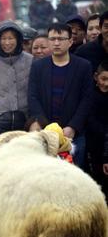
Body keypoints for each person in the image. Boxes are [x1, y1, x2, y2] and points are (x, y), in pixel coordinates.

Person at [28, 23, 94, 167]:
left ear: (70, 41)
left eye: (61, 39)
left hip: (73, 133)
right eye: (52, 39)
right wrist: (44, 124)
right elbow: (32, 96)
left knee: (75, 175)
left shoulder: (83, 66)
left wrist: (73, 126)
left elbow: (87, 99)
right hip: (45, 131)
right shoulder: (38, 66)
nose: (56, 43)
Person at [86, 60, 108, 195]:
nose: (106, 84)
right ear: (96, 77)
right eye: (103, 79)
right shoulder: (89, 97)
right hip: (93, 146)